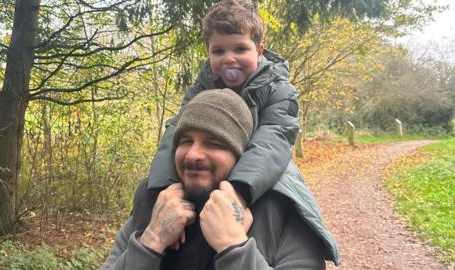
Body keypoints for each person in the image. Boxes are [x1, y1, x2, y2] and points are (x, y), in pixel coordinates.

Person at [101, 89, 339, 269]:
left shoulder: (283, 208)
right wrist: (151, 241)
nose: (193, 154)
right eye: (185, 141)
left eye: (214, 143)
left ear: (240, 155)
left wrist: (232, 245)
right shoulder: (155, 201)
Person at [148, 0, 299, 207]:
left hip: (257, 174)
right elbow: (176, 132)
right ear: (209, 53)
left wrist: (239, 191)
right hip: (211, 170)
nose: (229, 59)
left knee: (287, 196)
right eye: (219, 51)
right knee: (145, 196)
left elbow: (274, 138)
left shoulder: (278, 89)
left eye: (240, 49)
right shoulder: (201, 88)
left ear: (259, 51)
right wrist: (165, 188)